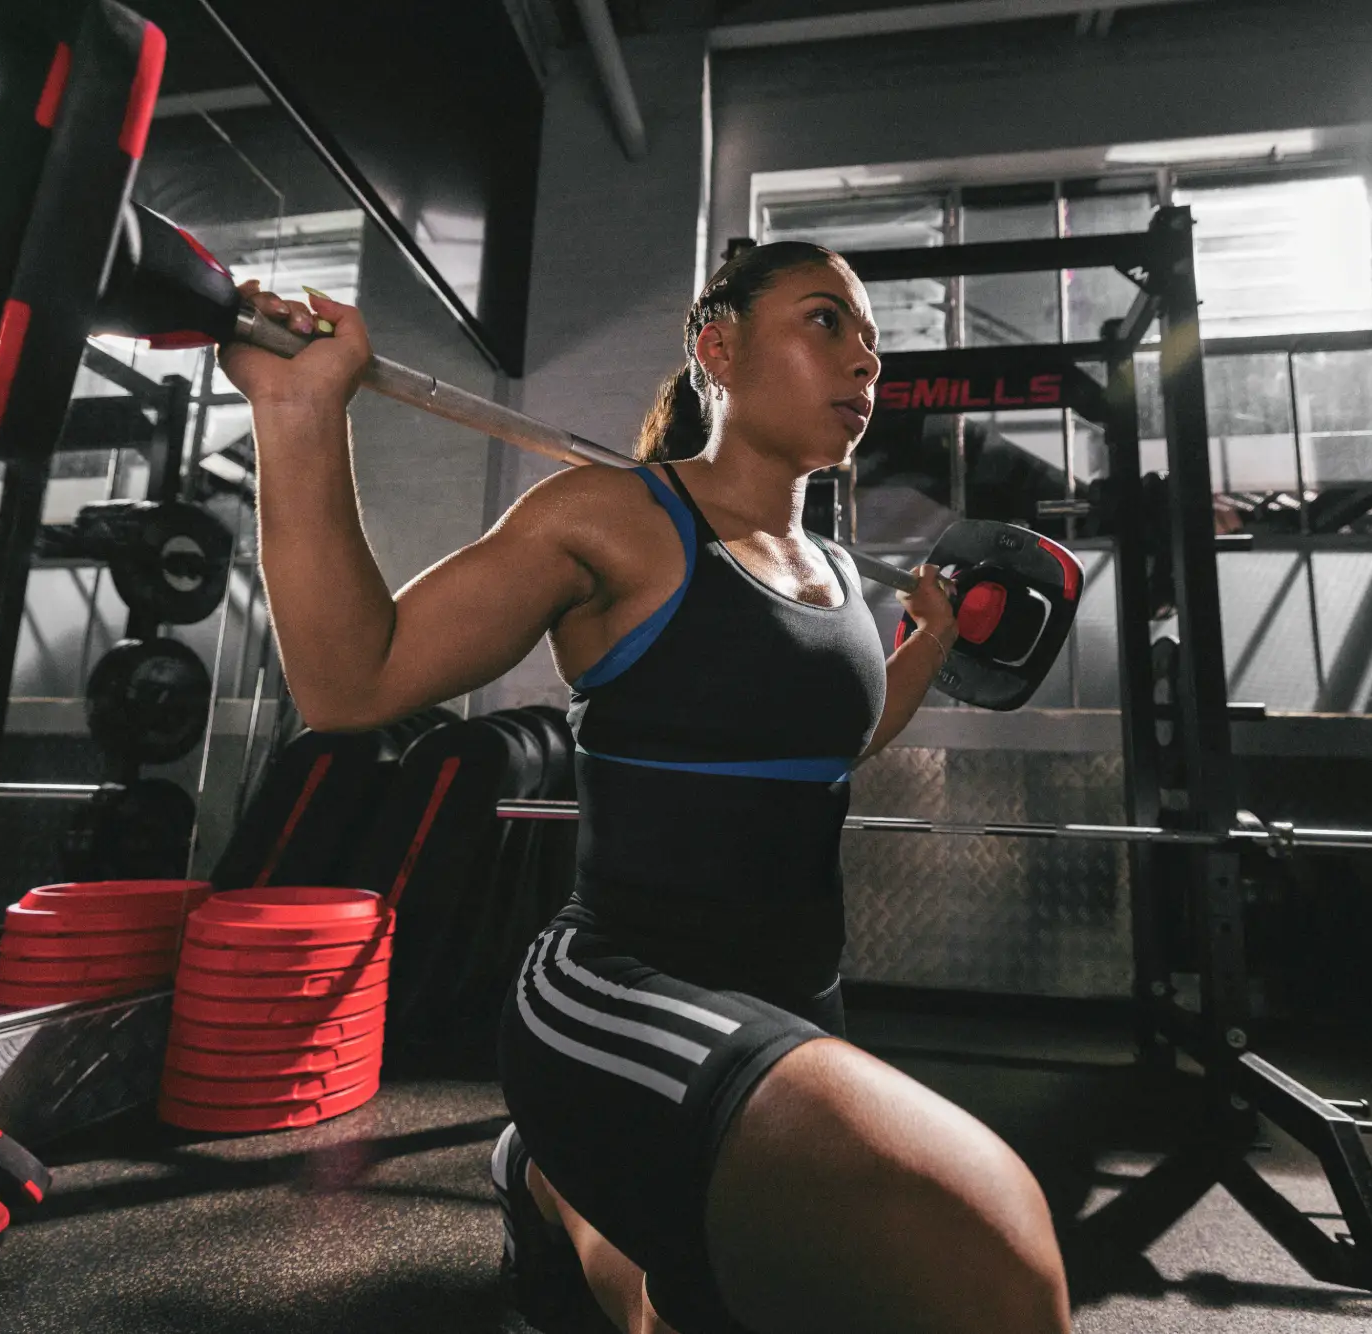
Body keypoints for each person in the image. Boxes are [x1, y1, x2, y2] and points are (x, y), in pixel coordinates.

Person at [223, 243, 1072, 1334]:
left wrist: (933, 641)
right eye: (826, 321)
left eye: (872, 340)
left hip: (796, 994)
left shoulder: (830, 571)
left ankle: (559, 1190)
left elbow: (838, 744)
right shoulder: (612, 517)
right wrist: (297, 411)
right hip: (619, 991)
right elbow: (353, 680)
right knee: (985, 1253)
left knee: (718, 1308)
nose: (866, 359)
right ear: (718, 348)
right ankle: (558, 1169)